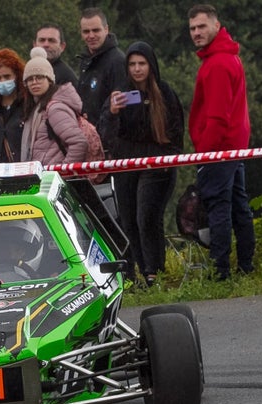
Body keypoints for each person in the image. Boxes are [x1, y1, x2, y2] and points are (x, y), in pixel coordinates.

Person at [100, 42, 184, 286]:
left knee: (146, 216)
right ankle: (133, 273)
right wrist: (113, 113)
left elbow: (177, 130)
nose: (137, 69)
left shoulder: (165, 93)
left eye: (142, 63)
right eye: (132, 64)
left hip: (157, 164)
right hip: (126, 163)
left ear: (151, 65)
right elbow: (105, 134)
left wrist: (169, 160)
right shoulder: (119, 94)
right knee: (128, 218)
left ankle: (154, 270)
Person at [188, 4, 255, 280]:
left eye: (202, 26)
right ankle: (246, 266)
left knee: (218, 207)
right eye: (192, 28)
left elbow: (216, 117)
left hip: (218, 148)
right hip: (233, 146)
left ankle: (221, 271)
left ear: (217, 25)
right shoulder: (227, 57)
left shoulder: (217, 63)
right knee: (238, 205)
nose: (196, 33)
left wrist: (204, 154)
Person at [21, 47, 87, 166]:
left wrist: (63, 173)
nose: (34, 82)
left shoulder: (55, 108)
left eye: (40, 77)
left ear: (50, 80)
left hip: (54, 179)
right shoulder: (37, 108)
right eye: (30, 79)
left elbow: (79, 143)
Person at [77, 8, 127, 122]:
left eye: (96, 30)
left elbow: (122, 108)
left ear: (106, 29)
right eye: (86, 31)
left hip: (108, 135)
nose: (91, 35)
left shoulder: (117, 61)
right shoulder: (84, 60)